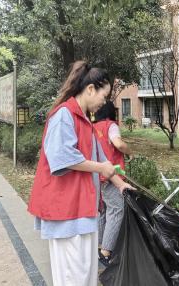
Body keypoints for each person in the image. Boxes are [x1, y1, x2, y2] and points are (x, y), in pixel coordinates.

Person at [27, 61, 134, 286]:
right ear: (90, 89)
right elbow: (61, 157)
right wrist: (101, 169)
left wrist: (120, 184)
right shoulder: (63, 116)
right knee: (71, 278)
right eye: (103, 97)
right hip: (65, 210)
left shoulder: (84, 120)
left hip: (81, 208)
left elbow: (101, 158)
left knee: (85, 275)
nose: (103, 103)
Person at [93, 101, 132, 266]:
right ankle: (106, 252)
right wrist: (130, 151)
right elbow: (118, 143)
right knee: (116, 211)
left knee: (103, 210)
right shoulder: (111, 125)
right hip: (112, 175)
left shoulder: (93, 127)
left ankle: (100, 245)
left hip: (96, 175)